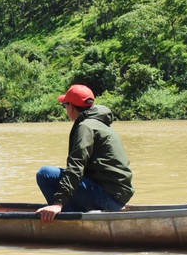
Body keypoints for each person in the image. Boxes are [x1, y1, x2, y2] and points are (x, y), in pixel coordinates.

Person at [36, 84, 134, 223]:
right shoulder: (101, 123)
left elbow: (76, 166)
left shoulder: (85, 127)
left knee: (45, 174)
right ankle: (82, 210)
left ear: (71, 107)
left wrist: (58, 203)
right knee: (61, 176)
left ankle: (70, 220)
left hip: (109, 197)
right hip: (119, 195)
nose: (66, 110)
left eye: (65, 106)